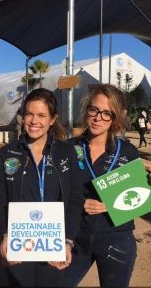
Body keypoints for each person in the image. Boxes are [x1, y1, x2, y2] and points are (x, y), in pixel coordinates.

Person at [0, 88, 84, 287]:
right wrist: (6, 236)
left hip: (53, 244)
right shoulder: (8, 153)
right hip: (19, 242)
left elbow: (75, 200)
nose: (34, 121)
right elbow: (0, 198)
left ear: (52, 119)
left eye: (42, 115)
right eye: (29, 114)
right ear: (23, 116)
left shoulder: (67, 152)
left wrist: (67, 241)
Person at [63, 84, 140, 287]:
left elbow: (138, 198)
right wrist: (78, 204)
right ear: (86, 109)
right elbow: (55, 192)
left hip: (116, 238)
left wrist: (111, 204)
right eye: (94, 110)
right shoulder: (68, 149)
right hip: (75, 236)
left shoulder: (128, 152)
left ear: (115, 118)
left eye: (107, 113)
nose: (98, 118)